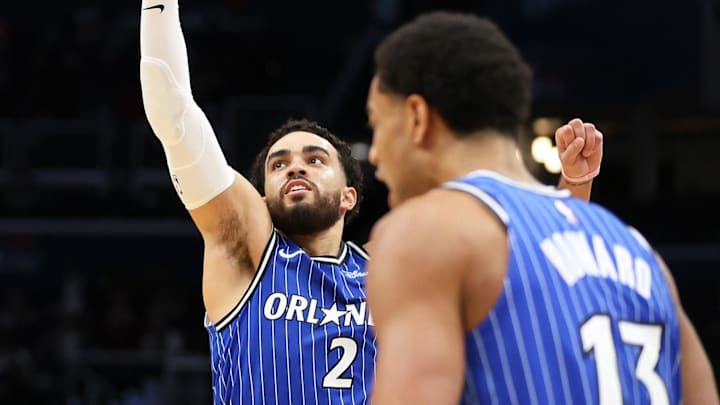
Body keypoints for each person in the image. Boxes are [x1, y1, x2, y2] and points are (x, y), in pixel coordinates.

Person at [139, 2, 601, 403]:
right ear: (261, 196)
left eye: (314, 159)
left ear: (348, 196)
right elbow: (173, 109)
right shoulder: (245, 251)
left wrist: (574, 183)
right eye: (278, 165)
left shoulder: (393, 270)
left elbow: (526, 279)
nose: (295, 167)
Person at [365, 11, 718, 405]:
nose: (376, 154)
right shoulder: (640, 252)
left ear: (417, 117)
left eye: (377, 123)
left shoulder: (427, 232)